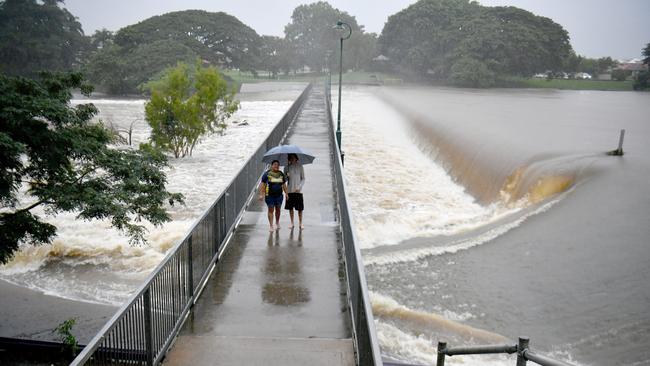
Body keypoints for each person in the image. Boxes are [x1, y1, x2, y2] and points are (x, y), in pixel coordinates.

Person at [259, 160, 287, 231]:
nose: (276, 166)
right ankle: (271, 225)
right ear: (271, 165)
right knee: (271, 209)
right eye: (274, 164)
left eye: (277, 165)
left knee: (278, 209)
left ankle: (277, 222)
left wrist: (286, 193)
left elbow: (284, 185)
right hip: (269, 195)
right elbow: (263, 185)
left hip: (279, 195)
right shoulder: (267, 174)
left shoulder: (281, 174)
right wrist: (261, 194)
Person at [284, 153, 305, 229]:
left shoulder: (300, 166)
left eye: (294, 158)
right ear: (289, 159)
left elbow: (303, 178)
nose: (292, 159)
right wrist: (287, 175)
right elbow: (285, 179)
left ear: (296, 158)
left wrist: (299, 187)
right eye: (291, 158)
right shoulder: (286, 167)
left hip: (298, 191)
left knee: (300, 209)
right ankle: (292, 223)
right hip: (290, 190)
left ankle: (300, 223)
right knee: (290, 208)